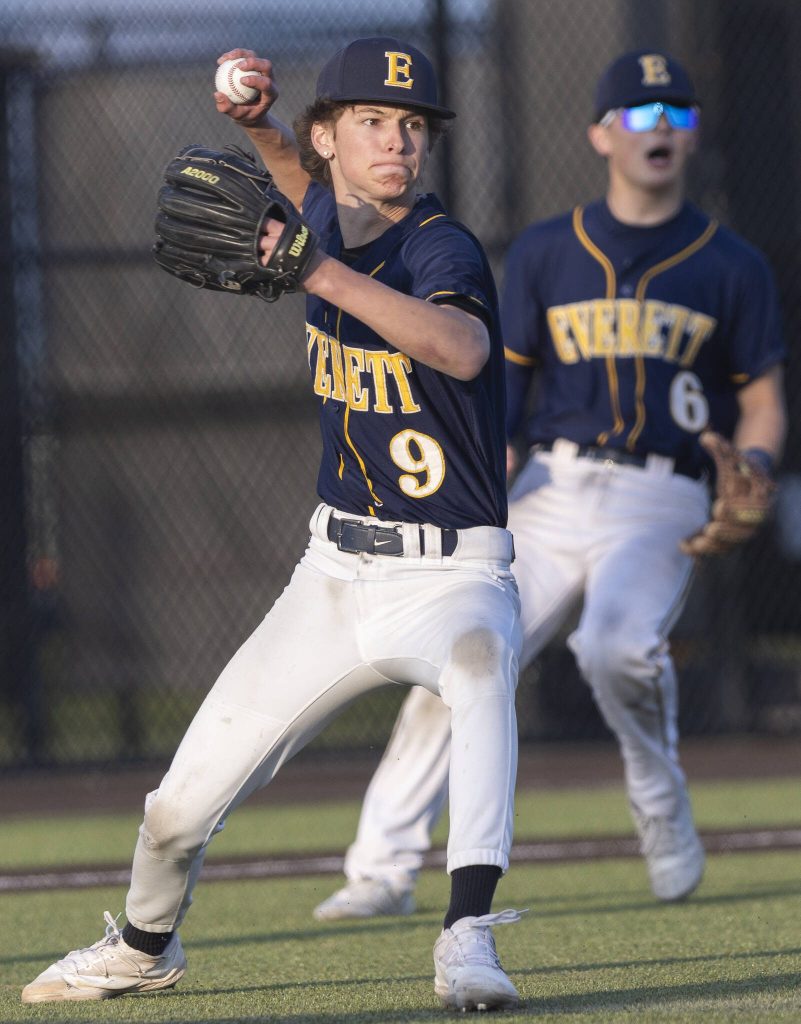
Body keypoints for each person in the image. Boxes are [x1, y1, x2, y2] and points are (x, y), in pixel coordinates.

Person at [21, 37, 526, 1012]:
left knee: (476, 675)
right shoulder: (324, 209)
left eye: (413, 125)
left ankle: (468, 935)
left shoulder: (438, 245)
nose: (398, 142)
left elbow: (462, 347)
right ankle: (143, 945)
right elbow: (304, 186)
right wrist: (256, 125)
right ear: (330, 135)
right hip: (332, 575)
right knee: (172, 811)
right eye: (374, 122)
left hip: (454, 573)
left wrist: (317, 274)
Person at [312, 48, 788, 923]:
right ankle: (380, 865)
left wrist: (754, 468)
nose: (659, 130)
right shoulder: (543, 252)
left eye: (675, 115)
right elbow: (502, 402)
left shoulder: (731, 264)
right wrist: (467, 503)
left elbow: (760, 401)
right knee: (454, 655)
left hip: (663, 495)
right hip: (549, 485)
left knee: (615, 648)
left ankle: (658, 801)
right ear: (600, 133)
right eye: (640, 115)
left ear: (690, 138)